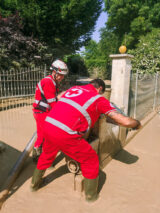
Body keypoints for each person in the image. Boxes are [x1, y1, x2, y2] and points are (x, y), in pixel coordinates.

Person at [30, 79, 142, 202]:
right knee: (91, 160)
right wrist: (136, 124)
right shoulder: (98, 99)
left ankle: (34, 185)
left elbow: (60, 99)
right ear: (99, 89)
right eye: (101, 93)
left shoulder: (73, 89)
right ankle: (91, 197)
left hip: (49, 125)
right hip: (65, 133)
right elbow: (125, 121)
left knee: (46, 155)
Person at [32, 59, 69, 162]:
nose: (61, 77)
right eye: (60, 75)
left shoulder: (53, 81)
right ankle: (41, 158)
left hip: (41, 111)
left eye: (63, 75)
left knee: (42, 134)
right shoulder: (48, 82)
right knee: (46, 135)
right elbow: (53, 103)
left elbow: (54, 98)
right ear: (54, 71)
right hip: (41, 112)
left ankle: (37, 156)